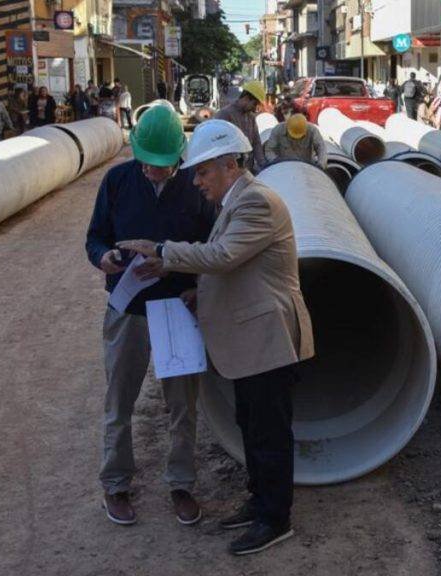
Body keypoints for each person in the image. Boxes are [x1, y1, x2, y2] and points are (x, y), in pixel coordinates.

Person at [118, 119, 314, 556]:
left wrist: (163, 251)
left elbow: (223, 256)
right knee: (251, 423)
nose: (197, 181)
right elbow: (238, 266)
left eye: (203, 172)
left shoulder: (256, 202)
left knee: (268, 431)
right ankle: (260, 501)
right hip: (252, 341)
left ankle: (274, 518)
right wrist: (197, 291)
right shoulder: (236, 200)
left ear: (229, 164)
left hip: (269, 339)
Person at [85, 105, 216, 528]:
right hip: (128, 309)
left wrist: (197, 285)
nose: (150, 172)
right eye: (144, 162)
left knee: (182, 403)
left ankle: (181, 483)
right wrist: (101, 257)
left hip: (178, 308)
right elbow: (94, 236)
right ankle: (116, 484)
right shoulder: (118, 180)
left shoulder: (197, 189)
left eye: (159, 166)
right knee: (119, 400)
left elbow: (213, 248)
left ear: (179, 158)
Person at [214, 80, 267, 173]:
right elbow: (218, 145)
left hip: (247, 170)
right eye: (254, 104)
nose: (255, 108)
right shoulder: (225, 114)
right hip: (230, 171)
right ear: (246, 98)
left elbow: (256, 143)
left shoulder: (251, 117)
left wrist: (263, 164)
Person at [263, 113, 327, 168]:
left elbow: (321, 148)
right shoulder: (278, 130)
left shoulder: (312, 130)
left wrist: (320, 164)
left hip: (307, 167)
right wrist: (275, 161)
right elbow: (269, 150)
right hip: (284, 167)